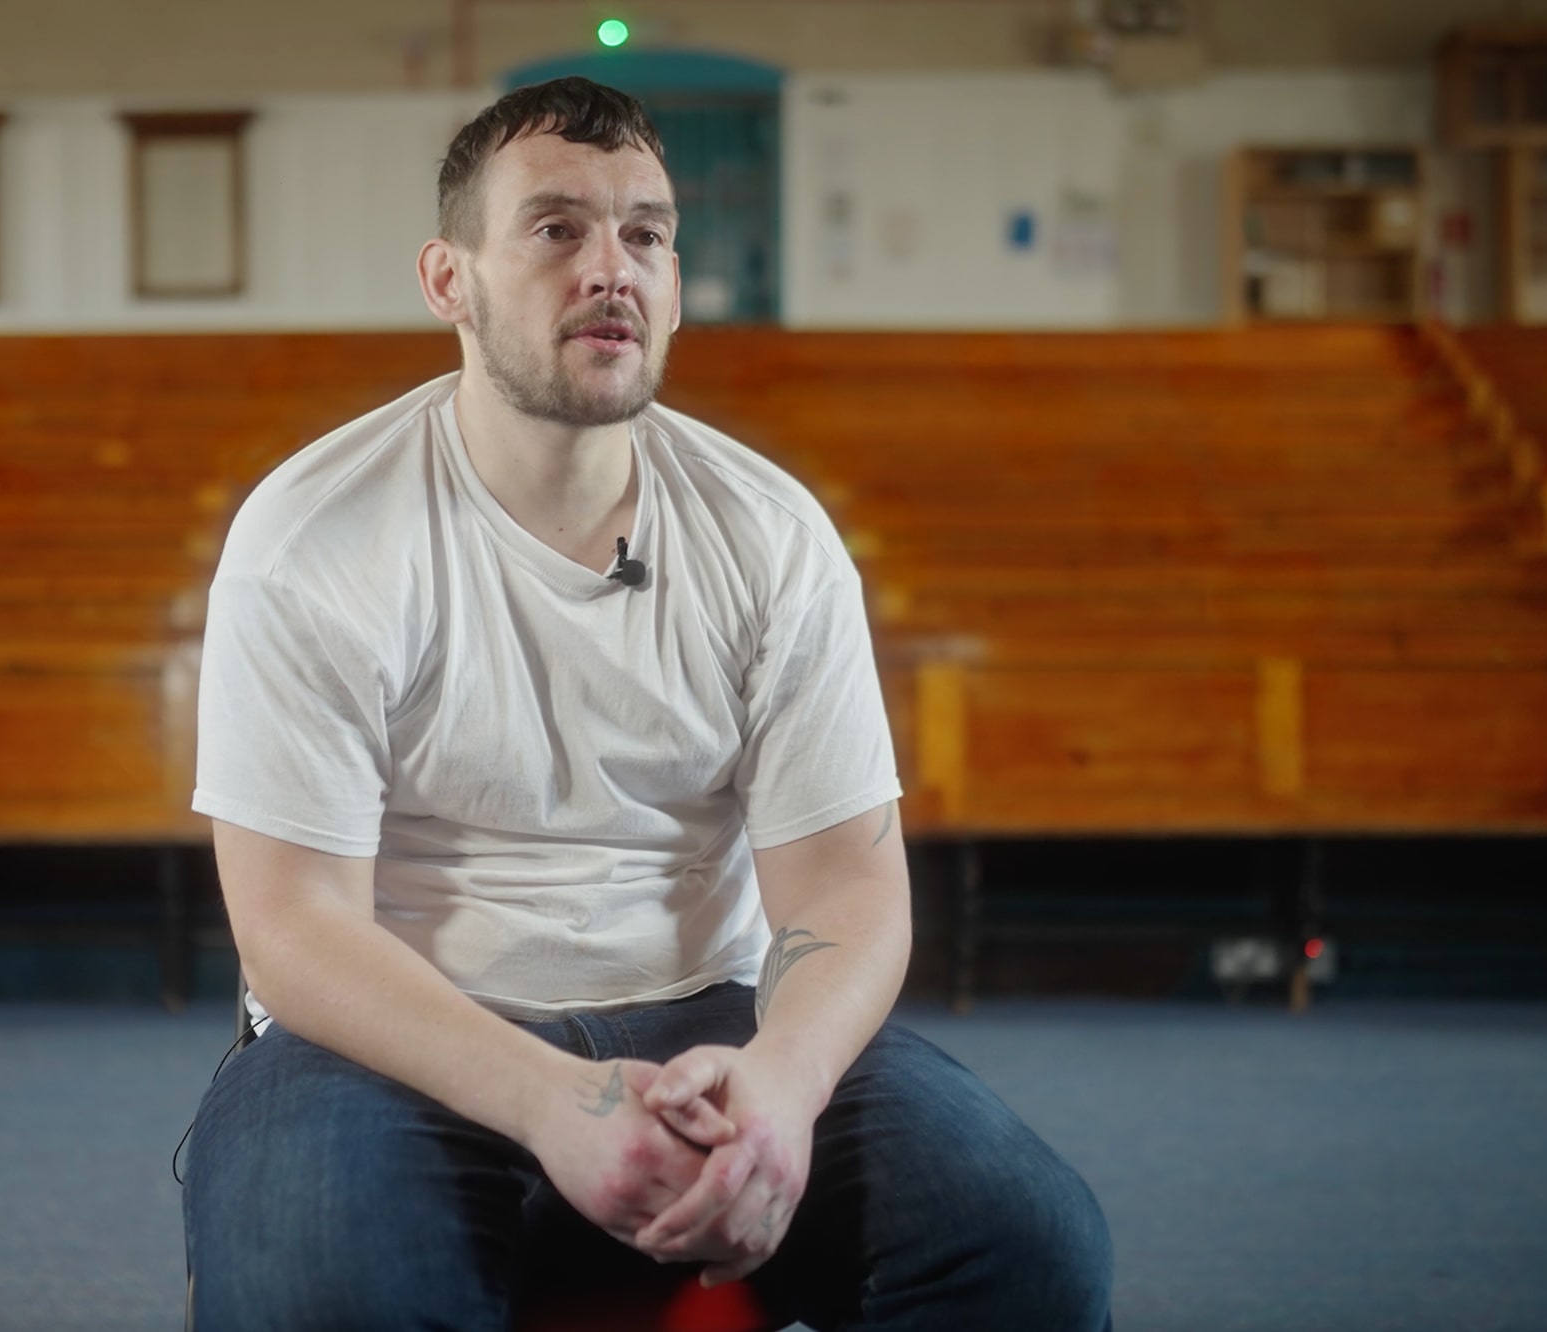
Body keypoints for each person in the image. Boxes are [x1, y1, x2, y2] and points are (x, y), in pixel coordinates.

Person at [182, 77, 1113, 1330]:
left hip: (709, 1010)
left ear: (673, 285)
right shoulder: (316, 536)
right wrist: (553, 1100)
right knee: (331, 1294)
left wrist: (782, 1082)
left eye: (647, 235)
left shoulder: (772, 536)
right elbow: (291, 928)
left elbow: (844, 887)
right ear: (448, 279)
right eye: (556, 228)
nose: (611, 268)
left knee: (1031, 1244)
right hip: (397, 1031)